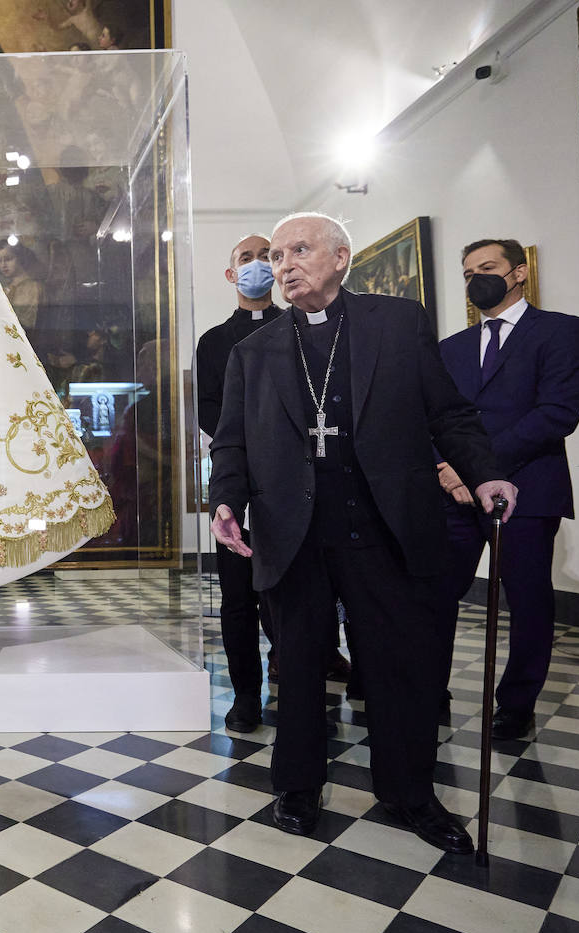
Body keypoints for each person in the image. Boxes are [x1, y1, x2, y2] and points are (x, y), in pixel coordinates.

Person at [209, 213, 517, 854]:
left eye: (300, 249)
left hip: (385, 524)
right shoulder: (252, 351)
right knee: (296, 664)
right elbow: (232, 441)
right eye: (276, 253)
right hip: (295, 531)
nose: (284, 263)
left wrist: (484, 473)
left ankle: (410, 793)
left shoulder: (397, 323)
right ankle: (297, 786)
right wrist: (225, 502)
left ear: (342, 258)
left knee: (396, 666)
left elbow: (448, 412)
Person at [435, 239, 579, 739]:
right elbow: (432, 416)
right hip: (453, 496)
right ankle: (429, 688)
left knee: (527, 601)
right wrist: (444, 466)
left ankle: (516, 704)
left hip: (526, 488)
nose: (476, 278)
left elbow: (556, 415)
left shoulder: (562, 332)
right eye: (467, 272)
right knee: (436, 593)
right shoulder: (450, 348)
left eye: (487, 267)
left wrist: (473, 467)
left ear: (518, 272)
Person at [195, 234, 283, 733]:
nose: (255, 266)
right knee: (236, 599)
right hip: (235, 475)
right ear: (231, 275)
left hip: (290, 482)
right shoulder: (213, 341)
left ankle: (289, 683)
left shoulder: (296, 328)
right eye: (244, 259)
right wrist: (248, 439)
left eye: (263, 257)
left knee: (288, 596)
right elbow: (210, 406)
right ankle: (246, 692)